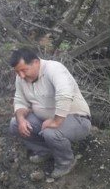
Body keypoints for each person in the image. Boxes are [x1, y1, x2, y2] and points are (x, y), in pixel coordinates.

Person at [8, 48, 91, 178]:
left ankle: (65, 163)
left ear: (35, 62)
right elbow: (19, 101)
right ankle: (45, 151)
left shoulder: (54, 69)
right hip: (45, 120)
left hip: (76, 119)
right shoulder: (21, 78)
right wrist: (21, 119)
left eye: (24, 70)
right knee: (14, 124)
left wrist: (56, 121)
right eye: (18, 72)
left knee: (51, 132)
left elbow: (64, 95)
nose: (21, 75)